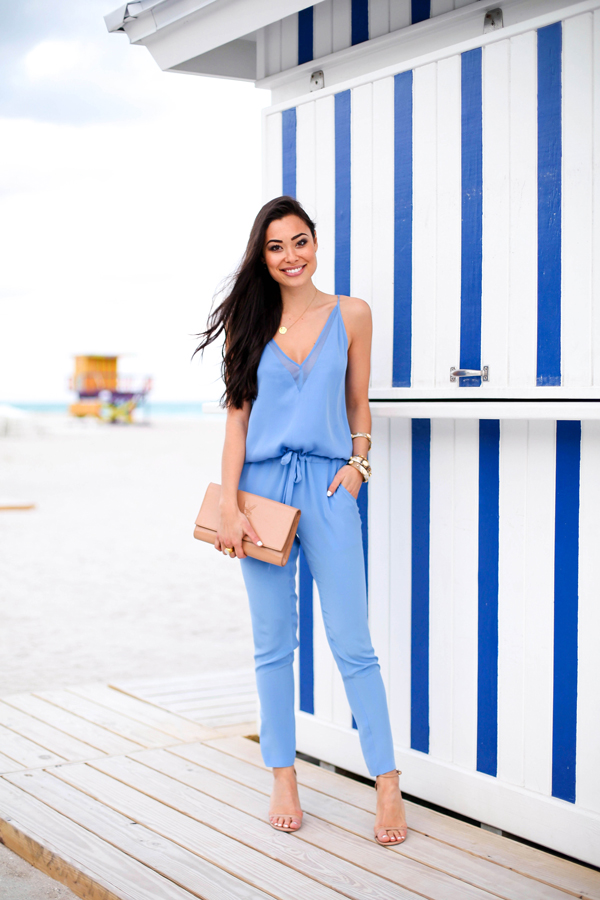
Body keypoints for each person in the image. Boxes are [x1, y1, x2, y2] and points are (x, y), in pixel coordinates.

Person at [194, 195, 407, 845]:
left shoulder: (353, 314)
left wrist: (358, 467)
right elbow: (236, 424)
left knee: (353, 642)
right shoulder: (249, 324)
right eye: (276, 246)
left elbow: (359, 400)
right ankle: (282, 776)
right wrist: (230, 505)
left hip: (329, 485)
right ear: (262, 255)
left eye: (300, 241)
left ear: (317, 244)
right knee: (273, 644)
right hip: (259, 492)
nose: (291, 256)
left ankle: (388, 785)